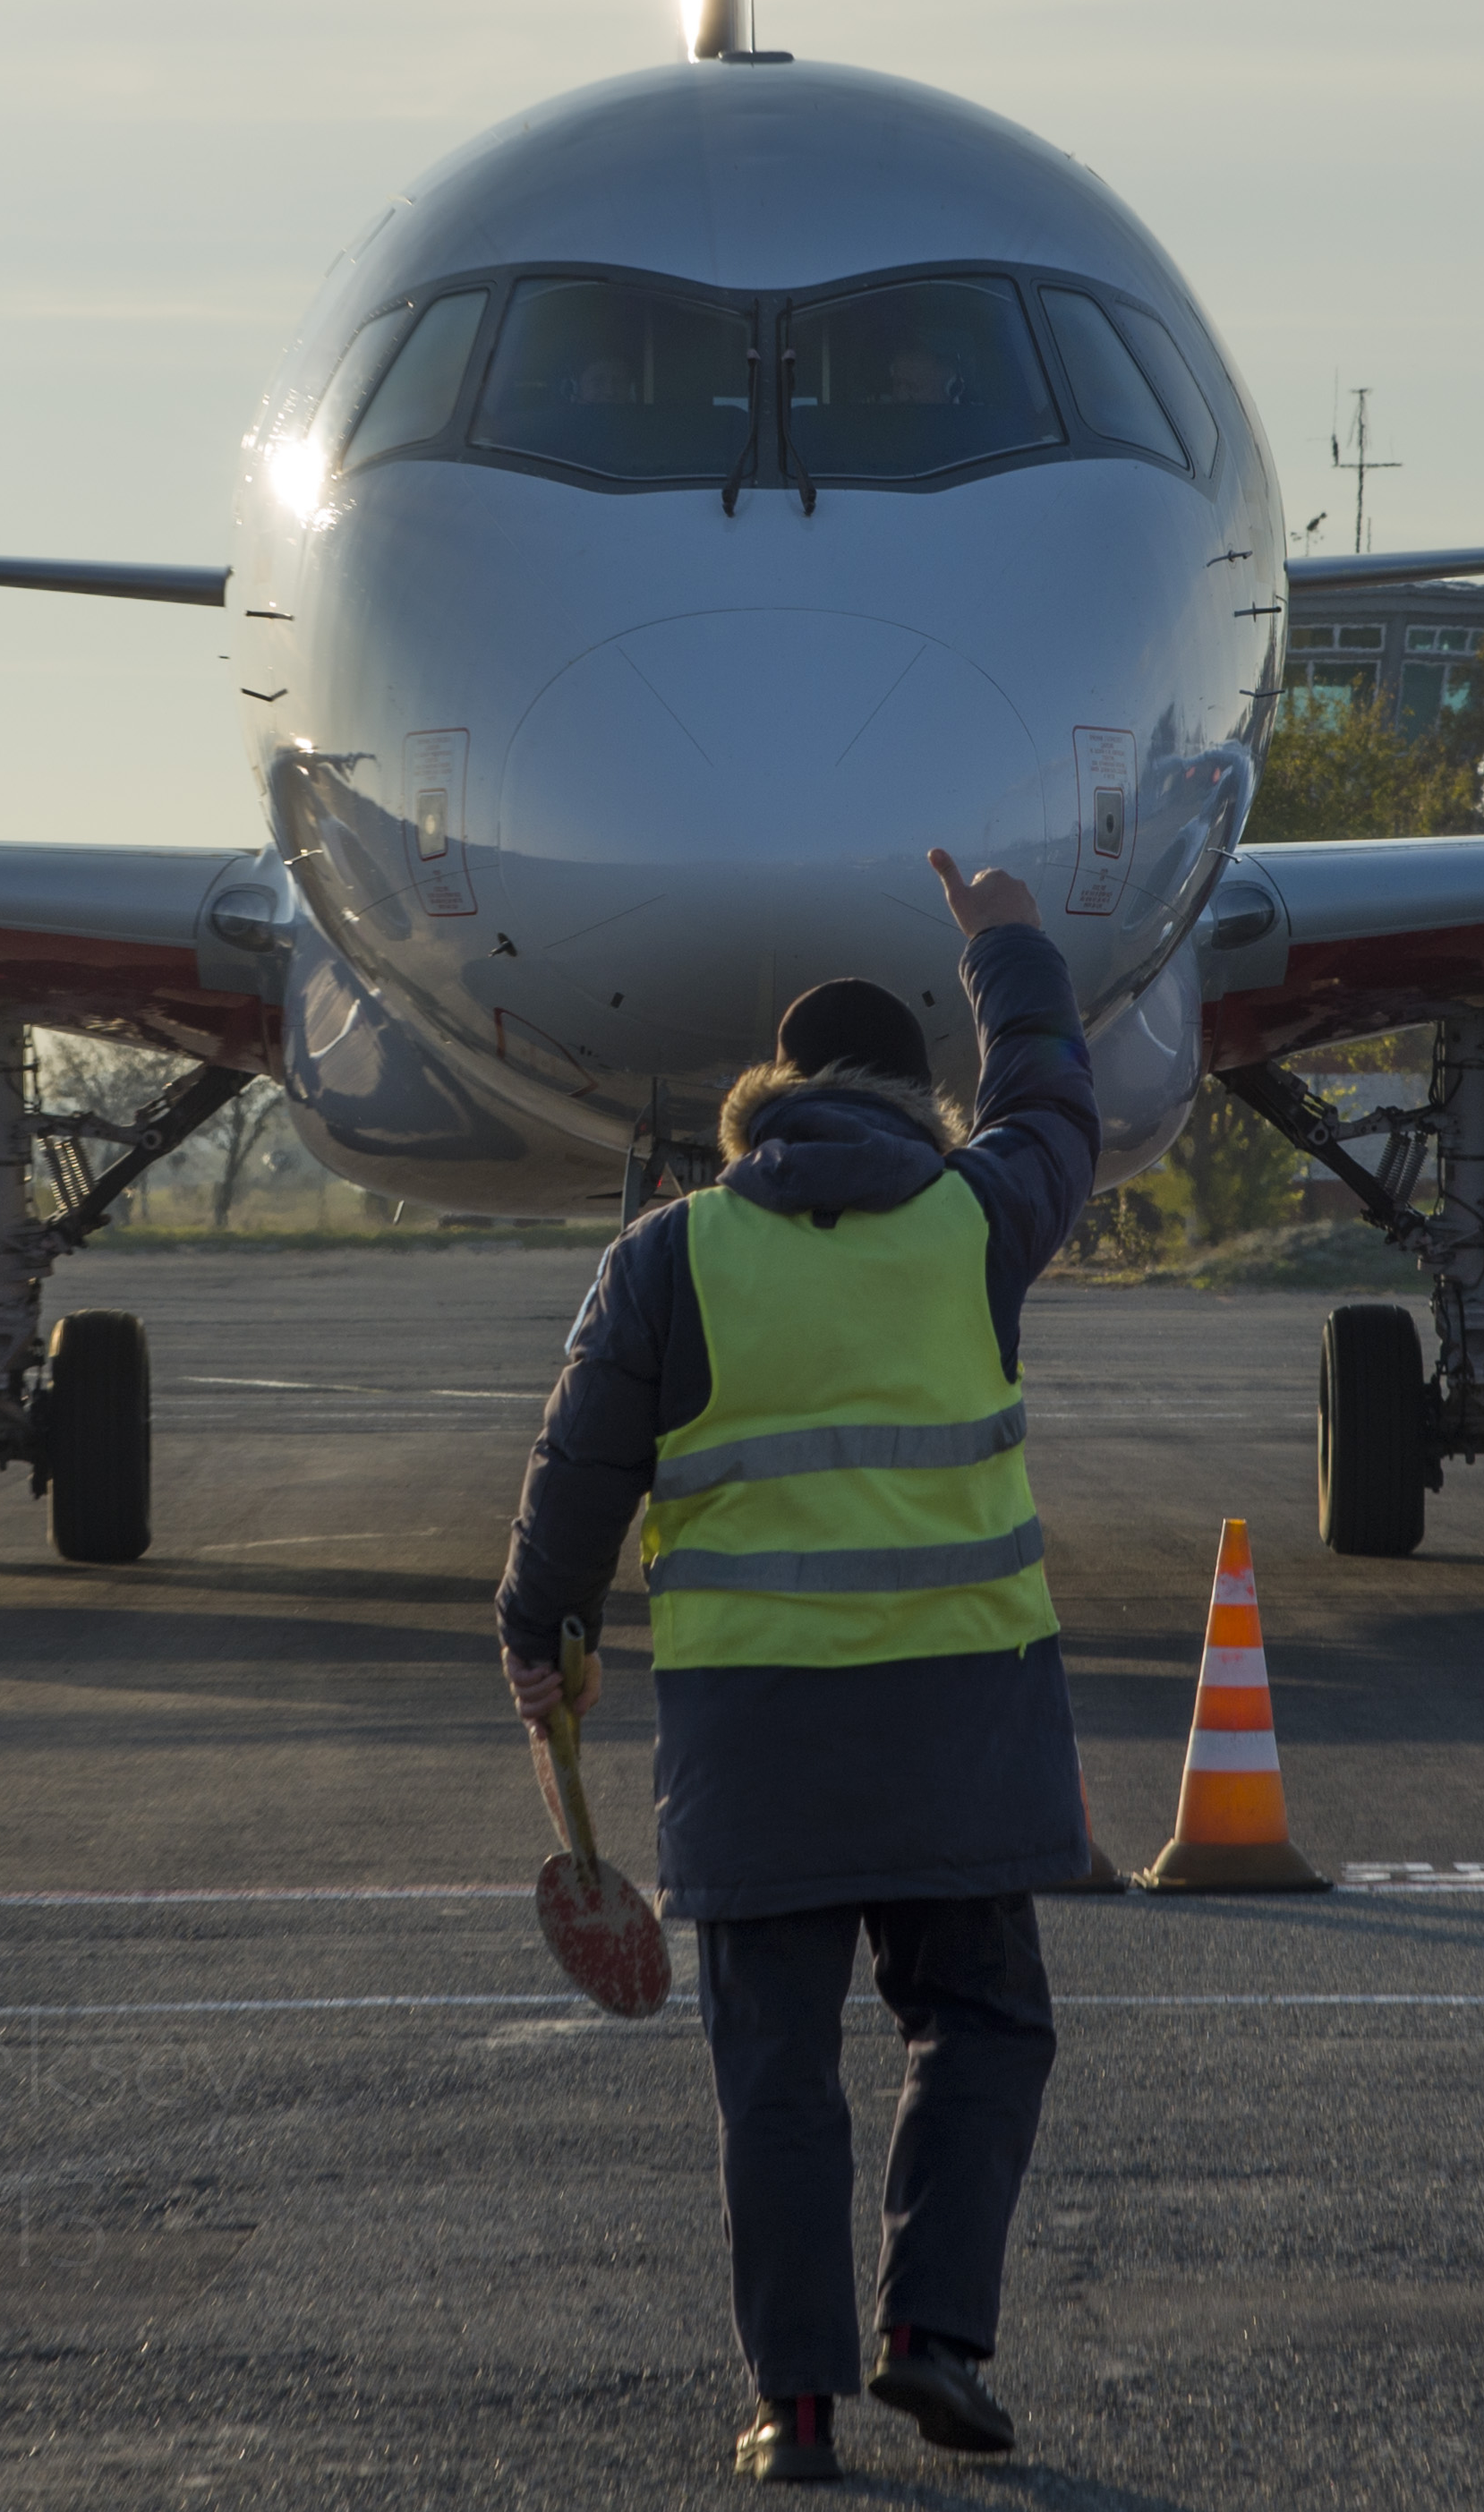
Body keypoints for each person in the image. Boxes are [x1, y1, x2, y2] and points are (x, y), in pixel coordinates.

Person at [497, 843, 1100, 2486]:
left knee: (774, 2073)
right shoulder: (978, 1221)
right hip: (960, 1726)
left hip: (755, 1744)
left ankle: (800, 2406)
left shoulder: (669, 1254)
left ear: (762, 1100)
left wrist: (537, 1638)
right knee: (977, 2024)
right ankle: (935, 2339)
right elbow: (1054, 1108)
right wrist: (1012, 952)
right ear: (919, 1103)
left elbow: (576, 1475)